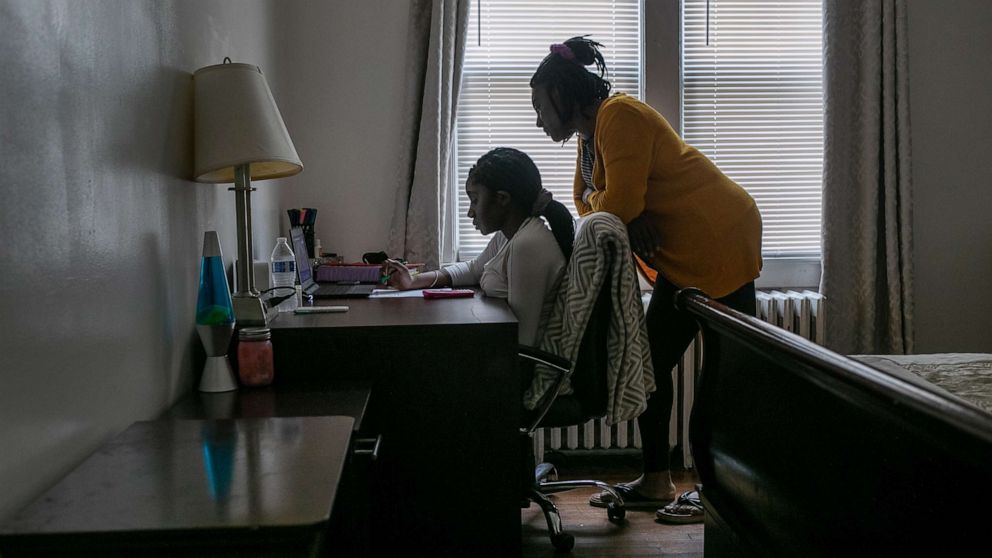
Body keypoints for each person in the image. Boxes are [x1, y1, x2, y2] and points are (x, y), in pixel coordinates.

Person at [530, 36, 762, 523]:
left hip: (720, 238)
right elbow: (592, 205)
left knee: (724, 377)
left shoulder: (620, 116)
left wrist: (624, 211)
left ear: (560, 94)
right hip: (683, 260)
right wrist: (622, 212)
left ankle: (715, 494)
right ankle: (657, 480)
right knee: (649, 369)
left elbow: (616, 205)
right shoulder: (589, 140)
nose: (537, 120)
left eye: (539, 107)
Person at [381, 147, 574, 347]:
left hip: (518, 363)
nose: (470, 212)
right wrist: (413, 281)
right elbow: (473, 269)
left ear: (502, 199)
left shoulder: (528, 245)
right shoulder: (509, 236)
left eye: (475, 200)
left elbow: (521, 339)